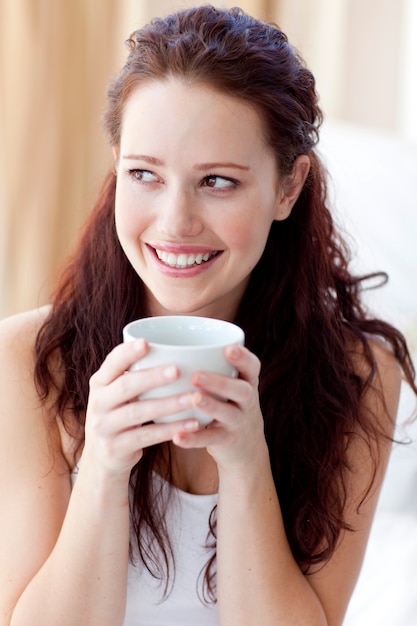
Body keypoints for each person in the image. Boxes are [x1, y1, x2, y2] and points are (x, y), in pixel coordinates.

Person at [0, 5, 415, 626]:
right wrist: (104, 468)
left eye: (217, 181)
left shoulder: (360, 376)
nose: (174, 223)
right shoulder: (29, 360)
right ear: (117, 166)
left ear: (287, 187)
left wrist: (247, 462)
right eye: (144, 174)